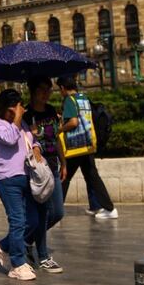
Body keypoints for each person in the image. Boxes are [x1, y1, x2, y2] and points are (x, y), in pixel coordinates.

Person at [0, 89, 42, 281]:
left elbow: (30, 140)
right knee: (17, 221)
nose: (18, 113)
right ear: (6, 109)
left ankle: (2, 246)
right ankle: (17, 264)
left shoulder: (20, 123)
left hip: (26, 176)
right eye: (15, 110)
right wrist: (17, 119)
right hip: (6, 179)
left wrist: (36, 147)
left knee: (33, 220)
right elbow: (10, 139)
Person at [56, 75, 118, 220]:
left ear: (63, 88)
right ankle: (109, 208)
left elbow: (73, 122)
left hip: (75, 146)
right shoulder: (83, 98)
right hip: (88, 144)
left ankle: (55, 212)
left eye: (60, 90)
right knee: (92, 177)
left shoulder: (69, 100)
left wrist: (59, 129)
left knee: (63, 176)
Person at [22, 77, 65, 273]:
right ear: (33, 90)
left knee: (57, 213)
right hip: (37, 170)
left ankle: (26, 239)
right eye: (42, 89)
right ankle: (44, 255)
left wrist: (64, 162)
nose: (47, 93)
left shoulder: (50, 111)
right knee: (42, 213)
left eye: (49, 89)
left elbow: (57, 139)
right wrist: (31, 134)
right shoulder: (26, 114)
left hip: (53, 167)